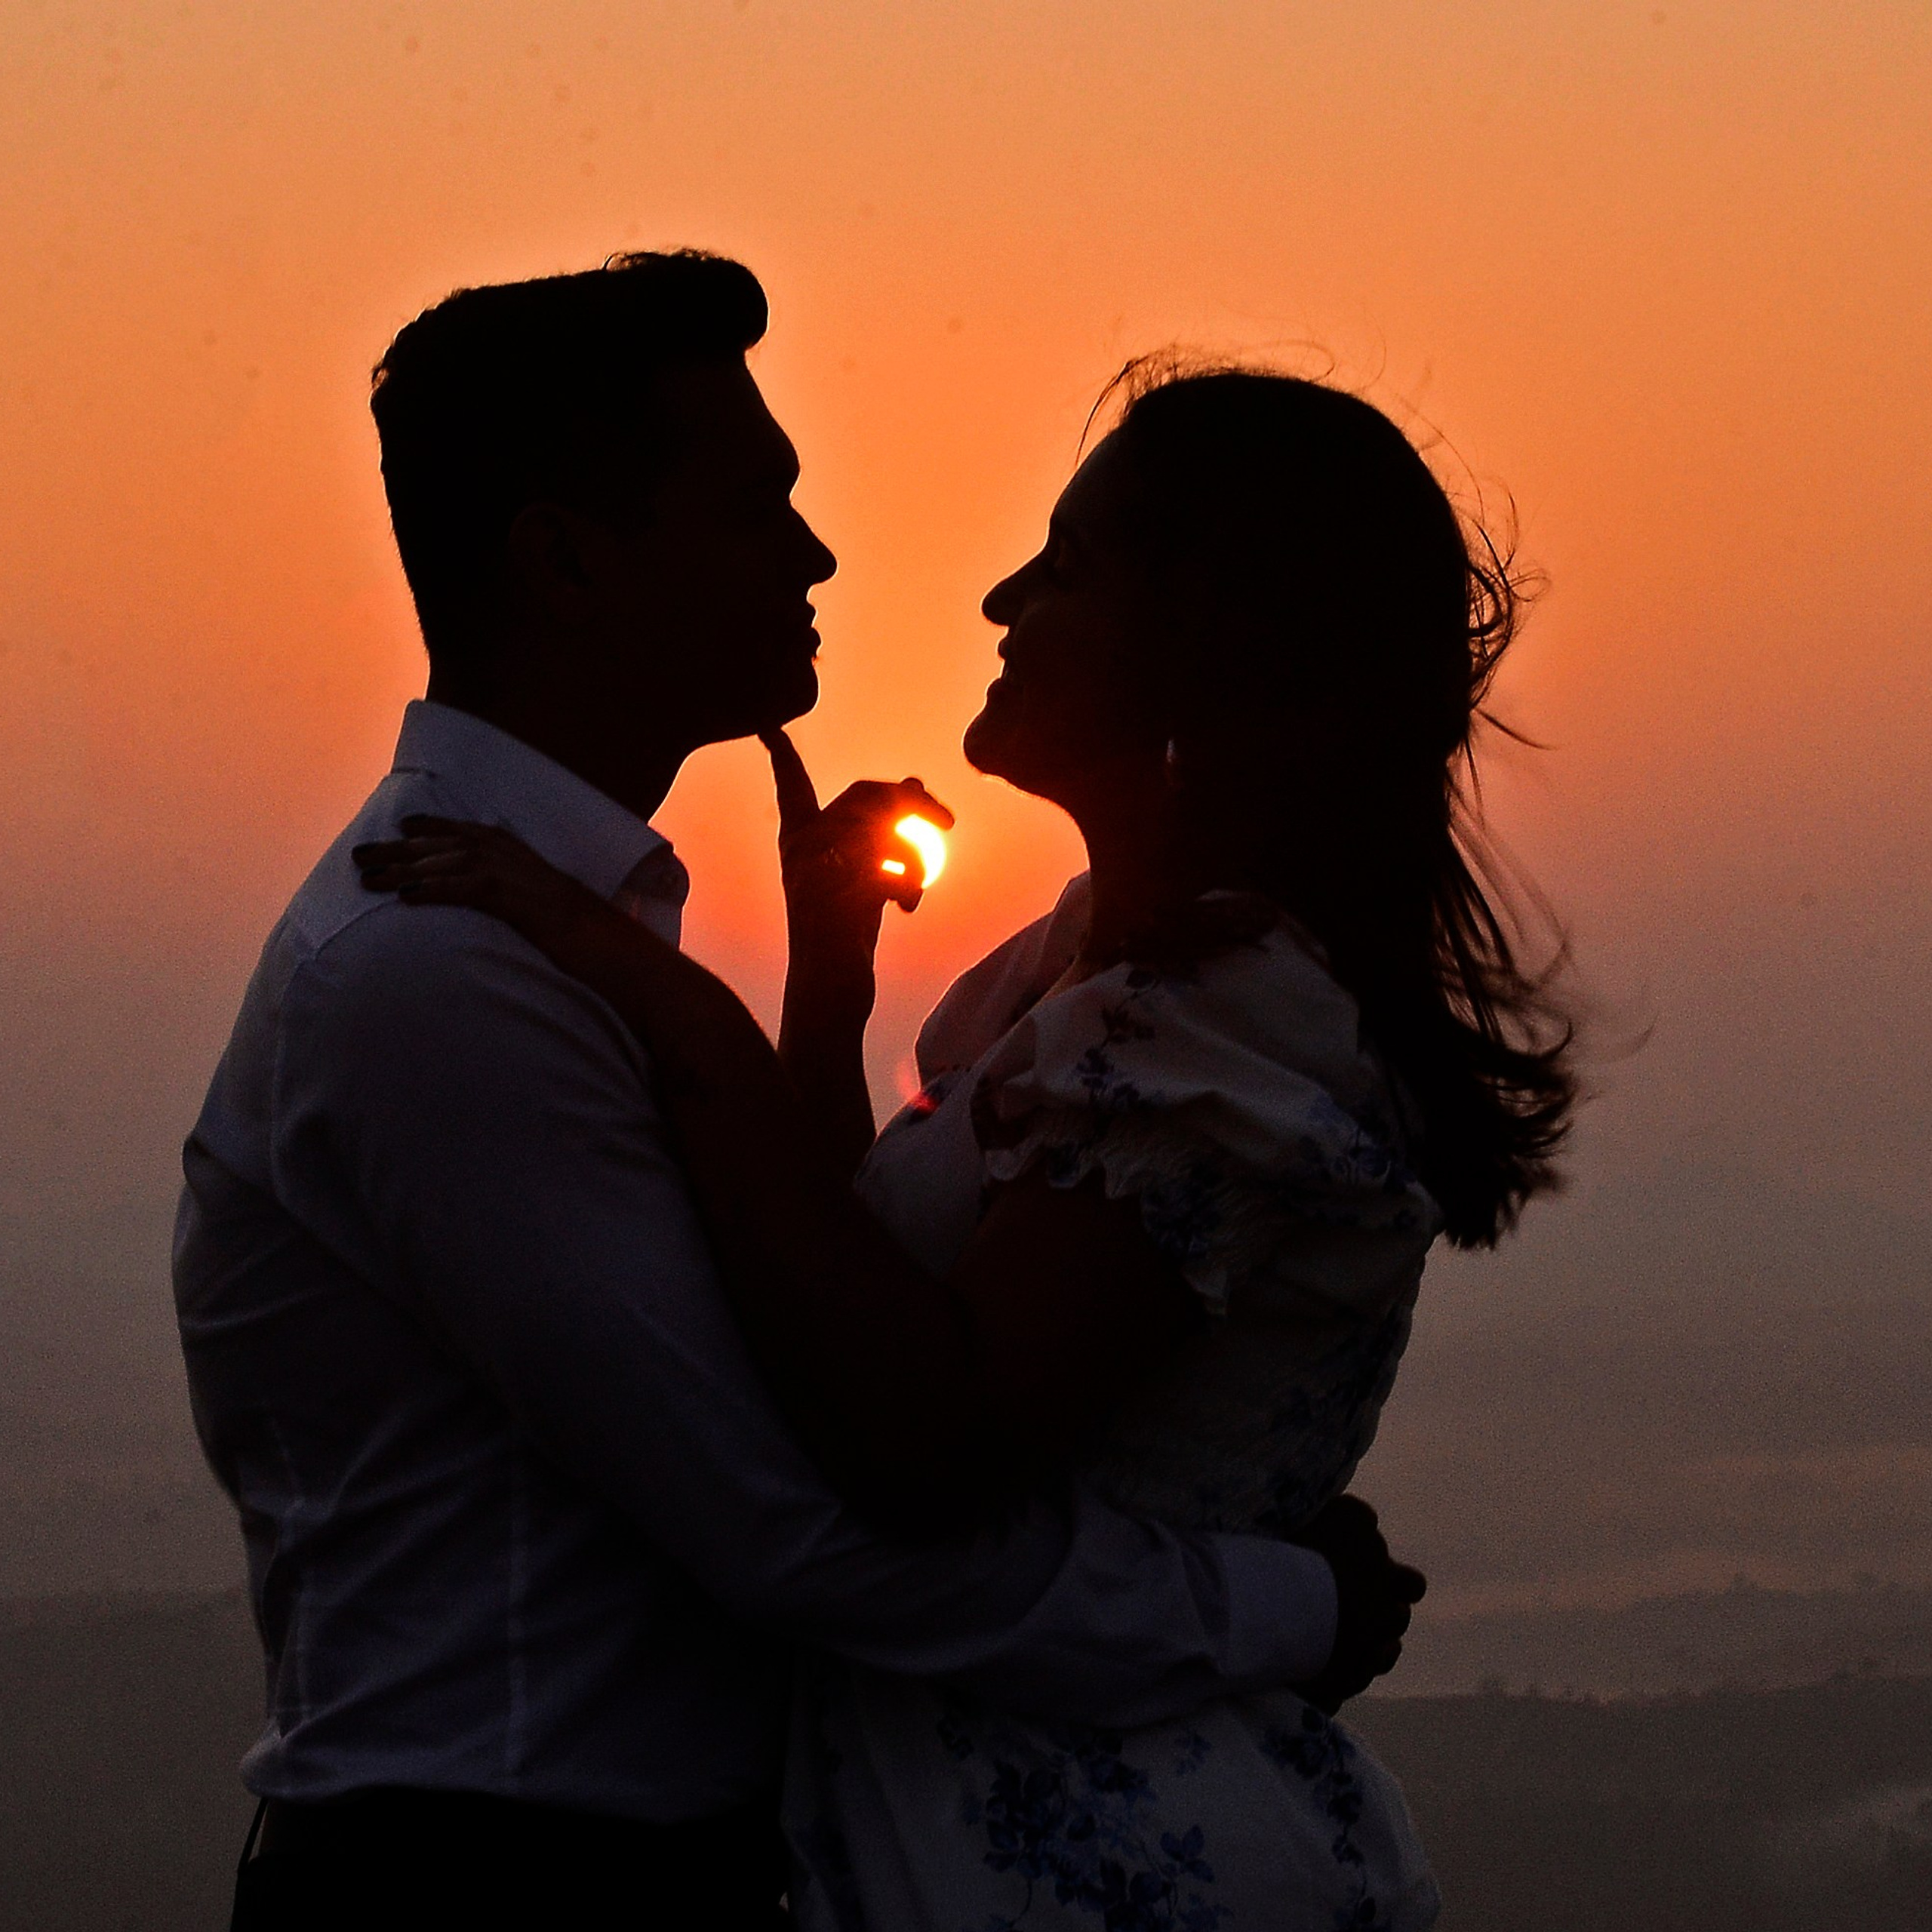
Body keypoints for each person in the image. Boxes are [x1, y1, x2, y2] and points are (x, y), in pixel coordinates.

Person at [174, 254, 1424, 1932]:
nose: (818, 553)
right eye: (757, 506)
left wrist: (806, 1006)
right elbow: (811, 1525)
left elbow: (846, 1334)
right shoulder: (447, 974)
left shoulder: (563, 929)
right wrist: (1288, 1606)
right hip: (503, 1883)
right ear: (561, 560)